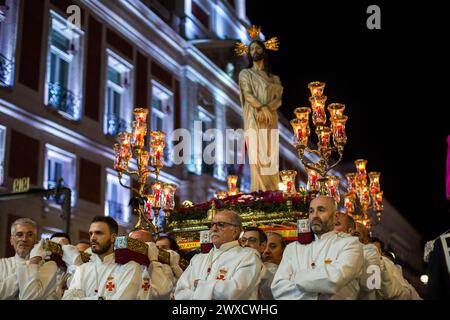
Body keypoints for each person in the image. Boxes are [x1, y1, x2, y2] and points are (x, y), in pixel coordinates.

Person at [271, 196, 364, 299]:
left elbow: (334, 280)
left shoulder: (350, 244)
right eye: (311, 211)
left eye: (321, 210)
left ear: (336, 216)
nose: (314, 216)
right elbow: (278, 289)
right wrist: (320, 291)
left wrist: (296, 277)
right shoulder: (292, 249)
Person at [174, 210, 263, 299]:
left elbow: (235, 292)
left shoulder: (248, 256)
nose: (214, 229)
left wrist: (200, 285)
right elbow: (180, 293)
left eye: (221, 224)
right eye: (212, 225)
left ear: (235, 231)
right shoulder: (197, 259)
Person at [238, 28, 283, 192]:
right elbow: (248, 94)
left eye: (257, 48)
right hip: (254, 119)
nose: (254, 51)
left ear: (264, 51)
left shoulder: (274, 78)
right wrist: (262, 108)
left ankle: (272, 192)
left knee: (270, 155)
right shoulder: (245, 74)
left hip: (270, 120)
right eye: (251, 49)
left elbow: (278, 99)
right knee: (257, 156)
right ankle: (260, 192)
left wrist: (267, 109)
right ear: (249, 54)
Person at [62, 216, 141, 300]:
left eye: (98, 233)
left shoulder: (129, 267)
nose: (93, 238)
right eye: (91, 233)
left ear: (113, 238)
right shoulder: (82, 269)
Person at [0, 218, 57, 299]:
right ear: (11, 240)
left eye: (30, 235)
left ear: (36, 240)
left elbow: (30, 297)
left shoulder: (47, 266)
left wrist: (33, 262)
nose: (24, 239)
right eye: (19, 234)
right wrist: (30, 264)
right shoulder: (1, 265)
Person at [335, 217, 381, 300]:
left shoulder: (370, 252)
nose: (351, 235)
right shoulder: (335, 248)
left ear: (366, 240)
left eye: (356, 234)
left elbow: (373, 284)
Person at [129, 229, 181, 300]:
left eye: (164, 247)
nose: (130, 246)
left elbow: (162, 291)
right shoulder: (129, 265)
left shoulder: (165, 267)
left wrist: (154, 261)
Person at [240, 226, 274, 299]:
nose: (246, 244)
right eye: (243, 240)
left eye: (252, 240)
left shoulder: (271, 270)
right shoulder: (234, 265)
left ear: (262, 246)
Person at [49, 232, 84, 299]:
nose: (59, 251)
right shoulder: (44, 265)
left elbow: (78, 269)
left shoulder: (73, 267)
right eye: (55, 246)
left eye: (62, 247)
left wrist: (64, 245)